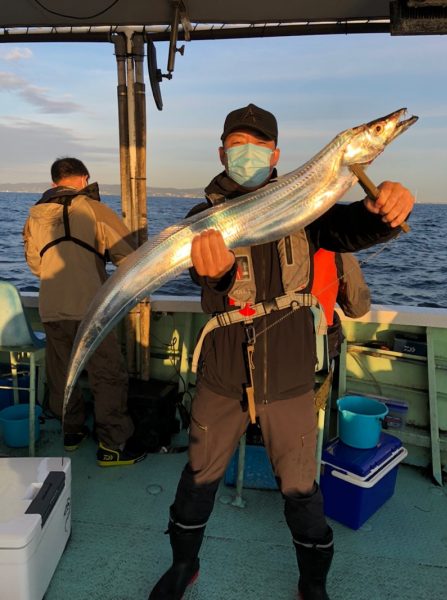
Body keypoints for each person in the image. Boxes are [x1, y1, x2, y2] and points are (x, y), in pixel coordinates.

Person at [147, 104, 415, 600]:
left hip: (288, 371)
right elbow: (207, 285)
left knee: (300, 488)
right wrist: (218, 272)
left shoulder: (307, 202)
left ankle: (312, 584)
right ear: (222, 152)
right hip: (223, 371)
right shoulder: (200, 219)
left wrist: (387, 210)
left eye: (256, 145)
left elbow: (350, 228)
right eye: (236, 145)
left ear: (275, 153)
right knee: (199, 476)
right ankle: (184, 566)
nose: (245, 153)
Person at [23, 157, 145, 467]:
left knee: (63, 374)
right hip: (92, 309)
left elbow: (36, 266)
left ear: (54, 183)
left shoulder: (34, 216)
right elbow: (128, 258)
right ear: (84, 178)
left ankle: (71, 432)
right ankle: (112, 445)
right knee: (107, 375)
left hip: (51, 307)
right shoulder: (95, 209)